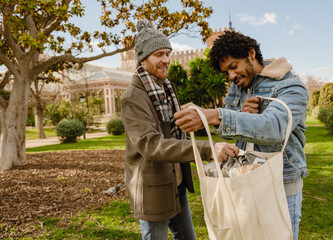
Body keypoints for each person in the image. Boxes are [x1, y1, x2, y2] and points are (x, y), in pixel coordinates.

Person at [174, 31, 309, 240]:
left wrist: (215, 116)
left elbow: (275, 128)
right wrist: (240, 116)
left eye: (233, 67)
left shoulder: (290, 86)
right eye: (225, 72)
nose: (230, 76)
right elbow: (231, 134)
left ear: (251, 54)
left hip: (282, 182)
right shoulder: (238, 88)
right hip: (244, 178)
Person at [120, 20, 239, 240]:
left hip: (176, 181)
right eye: (159, 55)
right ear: (143, 59)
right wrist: (207, 149)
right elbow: (152, 145)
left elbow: (175, 132)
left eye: (168, 53)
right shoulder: (133, 98)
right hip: (152, 186)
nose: (166, 60)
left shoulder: (166, 88)